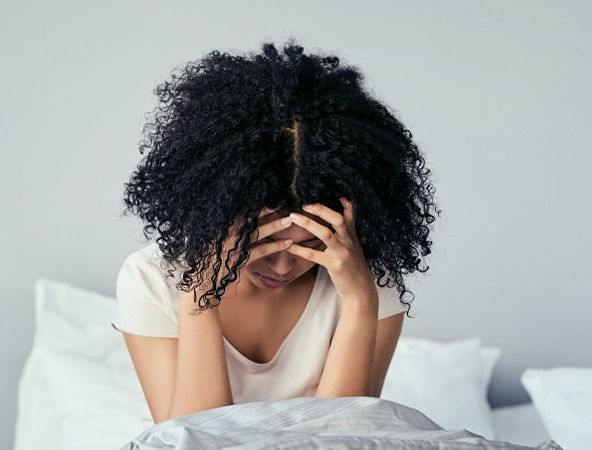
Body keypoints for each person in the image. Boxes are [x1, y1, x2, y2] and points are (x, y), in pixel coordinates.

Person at [113, 42, 438, 423]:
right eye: (264, 240)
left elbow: (341, 445)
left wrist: (361, 304)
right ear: (213, 212)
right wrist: (201, 292)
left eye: (312, 244)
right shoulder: (152, 279)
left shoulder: (367, 282)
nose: (283, 266)